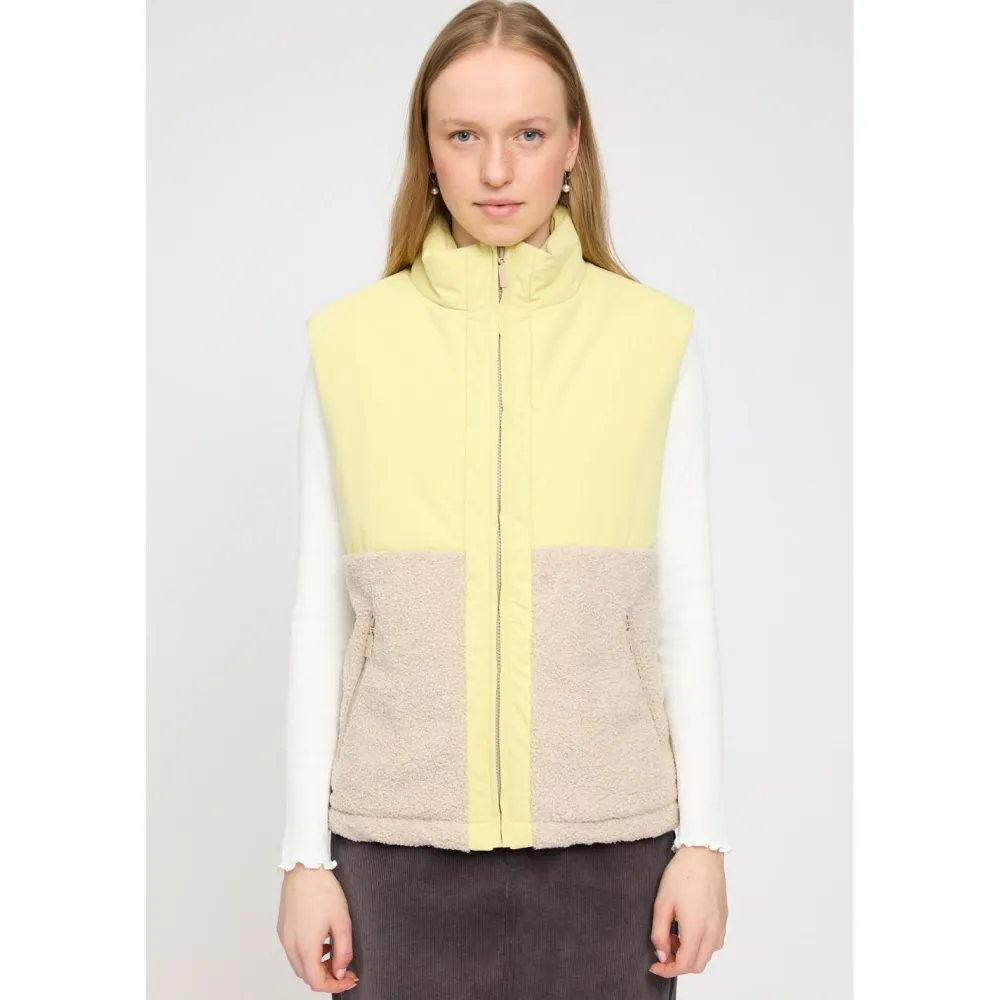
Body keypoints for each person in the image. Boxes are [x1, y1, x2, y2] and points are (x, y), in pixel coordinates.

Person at [275, 2, 731, 995]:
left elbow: (682, 612)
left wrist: (703, 839)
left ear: (572, 145)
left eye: (526, 134)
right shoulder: (348, 344)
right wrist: (303, 858)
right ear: (426, 150)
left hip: (611, 849)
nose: (495, 170)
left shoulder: (652, 337)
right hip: (397, 850)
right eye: (463, 136)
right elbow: (321, 617)